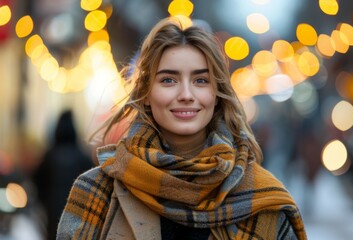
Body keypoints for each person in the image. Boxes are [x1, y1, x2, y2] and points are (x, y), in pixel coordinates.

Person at [57, 17, 307, 239]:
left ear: (217, 93)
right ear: (145, 93)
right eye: (168, 80)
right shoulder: (97, 191)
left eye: (200, 80)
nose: (186, 94)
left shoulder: (262, 199)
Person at [33, 110, 94, 240]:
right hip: (77, 214)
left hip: (52, 211)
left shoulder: (48, 157)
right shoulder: (83, 157)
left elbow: (38, 184)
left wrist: (45, 202)